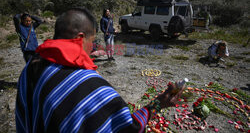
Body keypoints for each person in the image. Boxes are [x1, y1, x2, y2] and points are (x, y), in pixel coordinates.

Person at [15, 7, 184, 133]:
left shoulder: (30, 67)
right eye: (92, 41)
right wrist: (158, 104)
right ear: (80, 39)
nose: (92, 47)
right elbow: (127, 129)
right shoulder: (91, 87)